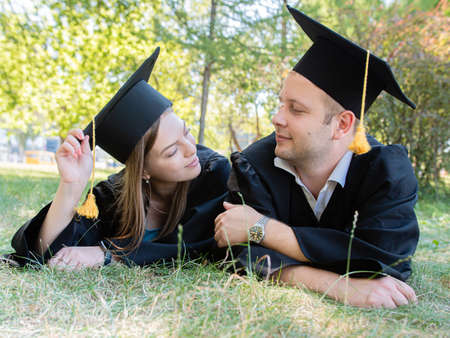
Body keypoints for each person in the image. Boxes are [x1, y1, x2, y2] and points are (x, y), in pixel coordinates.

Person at [214, 6, 419, 308]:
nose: (276, 118)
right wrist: (339, 286)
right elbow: (241, 254)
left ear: (342, 124)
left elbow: (387, 259)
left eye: (295, 109)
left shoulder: (385, 170)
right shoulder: (255, 165)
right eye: (280, 104)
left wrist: (264, 229)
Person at [7, 47, 230, 269]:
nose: (191, 149)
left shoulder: (213, 173)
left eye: (186, 131)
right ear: (143, 170)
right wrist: (70, 186)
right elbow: (44, 253)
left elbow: (196, 246)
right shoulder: (113, 196)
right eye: (172, 151)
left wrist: (109, 255)